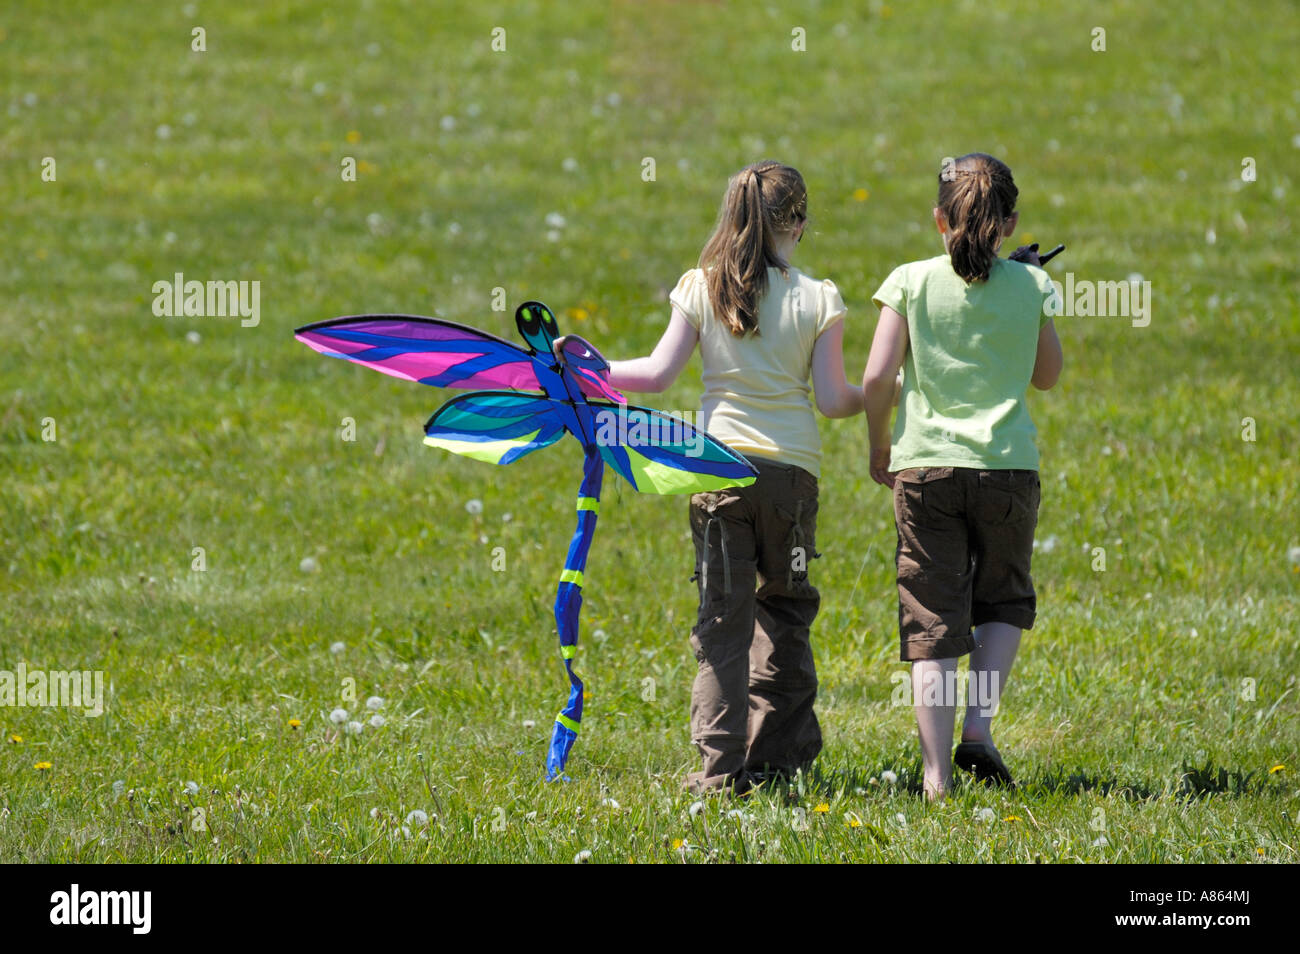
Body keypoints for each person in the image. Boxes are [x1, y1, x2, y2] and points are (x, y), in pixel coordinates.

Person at [557, 161, 864, 794]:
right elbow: (834, 401)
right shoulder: (819, 297)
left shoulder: (703, 287)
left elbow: (658, 374)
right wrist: (883, 388)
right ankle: (777, 764)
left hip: (717, 475)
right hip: (792, 482)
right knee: (786, 614)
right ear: (800, 221)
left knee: (722, 625)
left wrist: (589, 368)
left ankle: (719, 771)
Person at [861, 153, 1063, 800]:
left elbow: (874, 378)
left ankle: (935, 775)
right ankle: (978, 729)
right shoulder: (1032, 287)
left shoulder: (909, 280)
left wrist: (878, 446)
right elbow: (1048, 375)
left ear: (938, 219)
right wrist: (1031, 289)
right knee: (1004, 599)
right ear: (1009, 225)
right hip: (1007, 468)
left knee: (933, 619)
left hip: (924, 470)